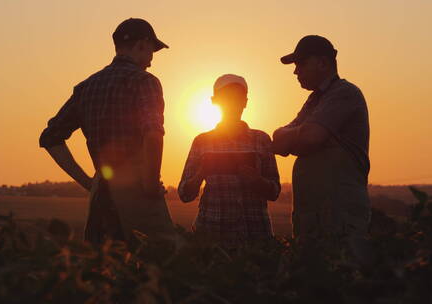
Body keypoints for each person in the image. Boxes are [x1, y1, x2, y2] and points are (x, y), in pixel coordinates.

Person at [39, 18, 174, 244]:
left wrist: (89, 183)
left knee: (107, 269)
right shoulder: (145, 82)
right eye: (152, 51)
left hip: (102, 195)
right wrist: (150, 186)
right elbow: (153, 134)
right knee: (160, 264)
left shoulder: (86, 87)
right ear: (142, 44)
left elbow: (50, 138)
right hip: (138, 190)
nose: (151, 60)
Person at [272, 35, 371, 240]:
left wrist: (305, 136)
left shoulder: (345, 93)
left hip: (340, 217)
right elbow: (279, 140)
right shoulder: (314, 101)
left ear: (323, 63)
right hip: (313, 220)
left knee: (340, 269)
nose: (296, 71)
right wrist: (306, 134)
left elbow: (311, 137)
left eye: (301, 63)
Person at [178, 74, 281, 249]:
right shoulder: (202, 142)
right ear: (215, 101)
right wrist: (200, 174)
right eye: (227, 97)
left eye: (238, 97)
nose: (233, 102)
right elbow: (184, 194)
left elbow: (275, 192)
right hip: (211, 237)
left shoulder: (261, 140)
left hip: (255, 236)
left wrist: (256, 180)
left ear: (245, 102)